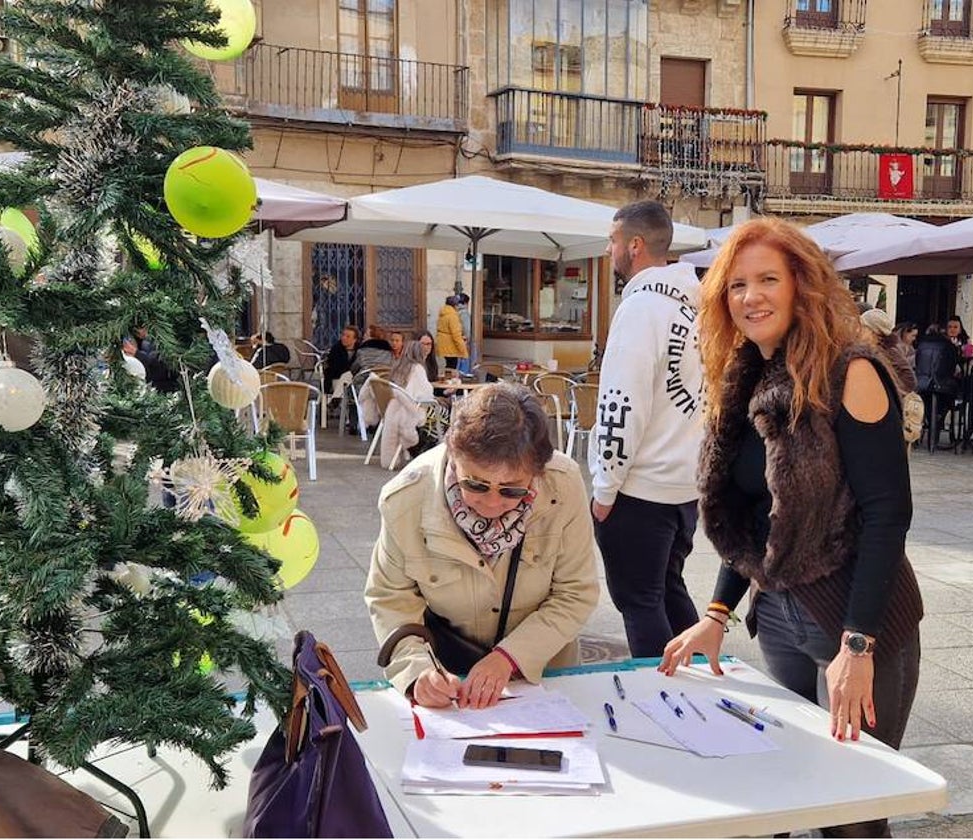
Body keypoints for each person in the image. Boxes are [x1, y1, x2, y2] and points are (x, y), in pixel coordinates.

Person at [659, 218, 922, 838]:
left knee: (851, 815)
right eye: (737, 285)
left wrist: (858, 647)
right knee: (793, 793)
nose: (751, 297)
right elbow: (753, 512)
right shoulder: (746, 371)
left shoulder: (850, 370)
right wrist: (718, 612)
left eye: (768, 280)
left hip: (857, 620)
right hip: (777, 618)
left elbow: (889, 512)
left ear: (802, 285)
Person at [367, 383, 599, 709]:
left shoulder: (564, 483)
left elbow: (576, 591)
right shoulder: (406, 499)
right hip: (449, 679)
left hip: (543, 674)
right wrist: (417, 671)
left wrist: (509, 657)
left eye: (511, 489)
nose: (491, 503)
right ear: (454, 456)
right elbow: (390, 598)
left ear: (538, 471)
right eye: (474, 484)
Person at [589, 199, 704, 658]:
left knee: (639, 601)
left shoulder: (641, 309)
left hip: (640, 486)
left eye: (613, 241)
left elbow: (622, 404)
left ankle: (659, 696)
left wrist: (604, 489)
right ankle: (699, 678)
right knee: (668, 589)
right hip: (684, 484)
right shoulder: (694, 309)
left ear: (634, 245)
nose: (609, 249)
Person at [368, 340, 435, 470]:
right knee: (444, 411)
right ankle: (428, 446)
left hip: (392, 408)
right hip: (410, 409)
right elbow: (426, 394)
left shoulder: (398, 367)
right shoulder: (417, 369)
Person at [914, 323, 959, 439]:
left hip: (920, 383)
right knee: (955, 391)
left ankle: (930, 418)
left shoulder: (921, 345)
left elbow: (917, 363)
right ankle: (939, 417)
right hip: (941, 384)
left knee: (927, 399)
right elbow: (951, 368)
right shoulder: (948, 346)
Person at [861, 308, 916, 392]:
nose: (860, 330)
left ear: (875, 331)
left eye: (863, 327)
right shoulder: (870, 348)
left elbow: (909, 379)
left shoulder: (889, 350)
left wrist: (892, 395)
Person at [324, 324, 359, 398]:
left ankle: (335, 400)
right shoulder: (336, 350)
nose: (344, 338)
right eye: (343, 335)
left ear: (355, 339)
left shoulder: (359, 350)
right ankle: (336, 399)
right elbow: (334, 369)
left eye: (348, 336)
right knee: (347, 376)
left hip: (355, 380)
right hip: (337, 378)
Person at [436, 295, 468, 371]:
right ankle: (450, 381)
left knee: (448, 365)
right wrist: (464, 352)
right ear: (455, 305)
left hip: (443, 344)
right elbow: (456, 335)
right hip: (451, 346)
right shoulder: (452, 316)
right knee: (452, 367)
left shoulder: (443, 313)